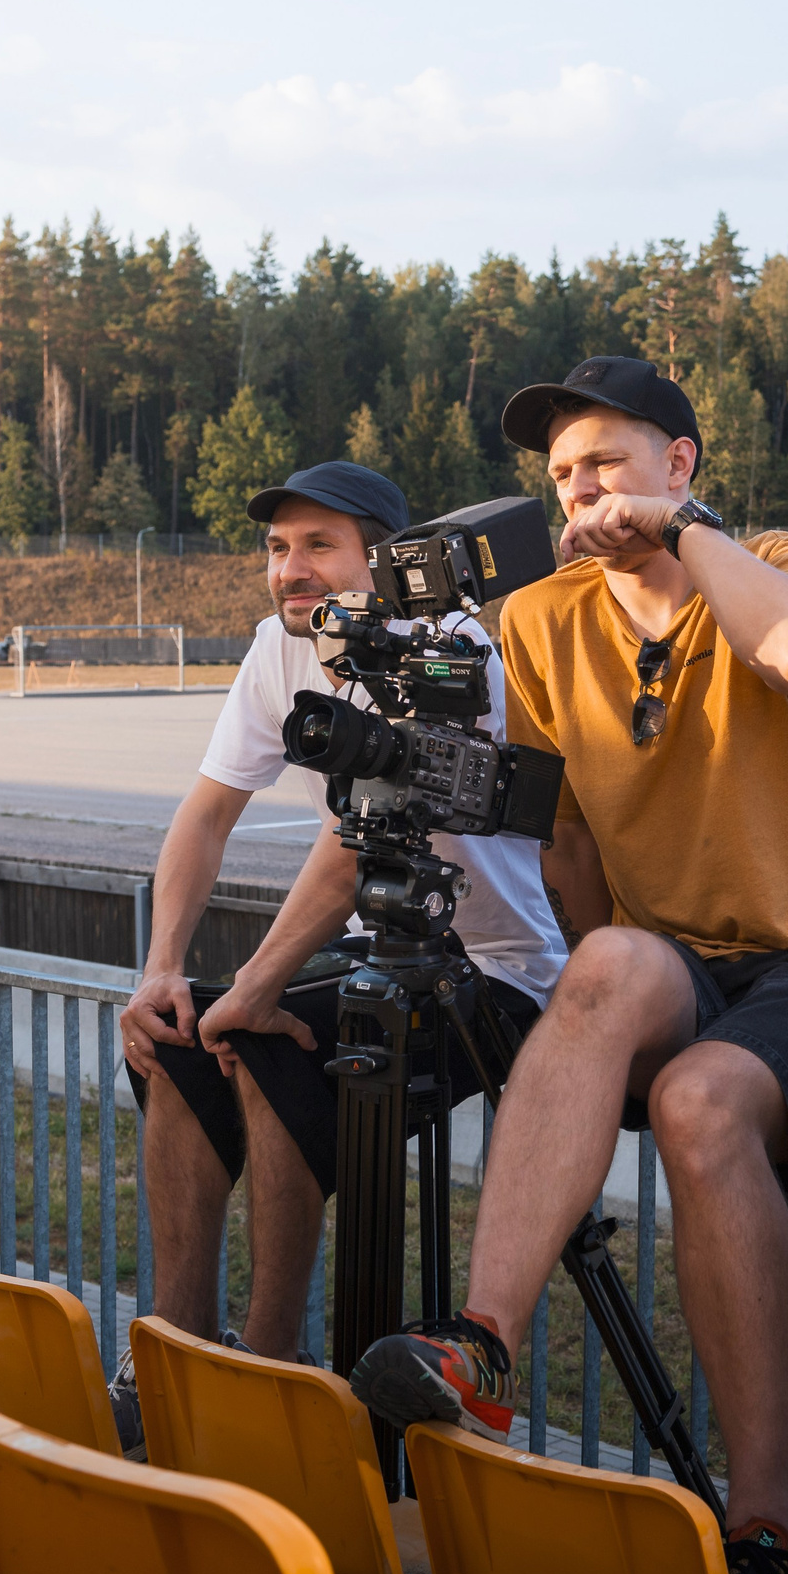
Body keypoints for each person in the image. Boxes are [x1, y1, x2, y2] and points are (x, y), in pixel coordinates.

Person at [345, 358, 788, 1574]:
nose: (580, 488)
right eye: (561, 474)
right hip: (680, 959)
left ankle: (763, 1528)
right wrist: (588, 1017)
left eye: (607, 461)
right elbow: (571, 844)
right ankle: (484, 1343)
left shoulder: (768, 558)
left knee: (702, 1101)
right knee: (599, 960)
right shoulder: (542, 621)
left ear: (682, 459)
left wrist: (686, 538)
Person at [117, 461, 565, 1364]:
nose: (291, 568)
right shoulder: (281, 644)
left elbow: (359, 836)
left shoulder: (449, 651)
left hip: (496, 964)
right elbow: (205, 816)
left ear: (384, 557)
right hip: (378, 940)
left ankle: (273, 1358)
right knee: (179, 1039)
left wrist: (254, 985)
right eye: (278, 548)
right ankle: (171, 1354)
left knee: (262, 1039)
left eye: (319, 545)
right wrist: (162, 964)